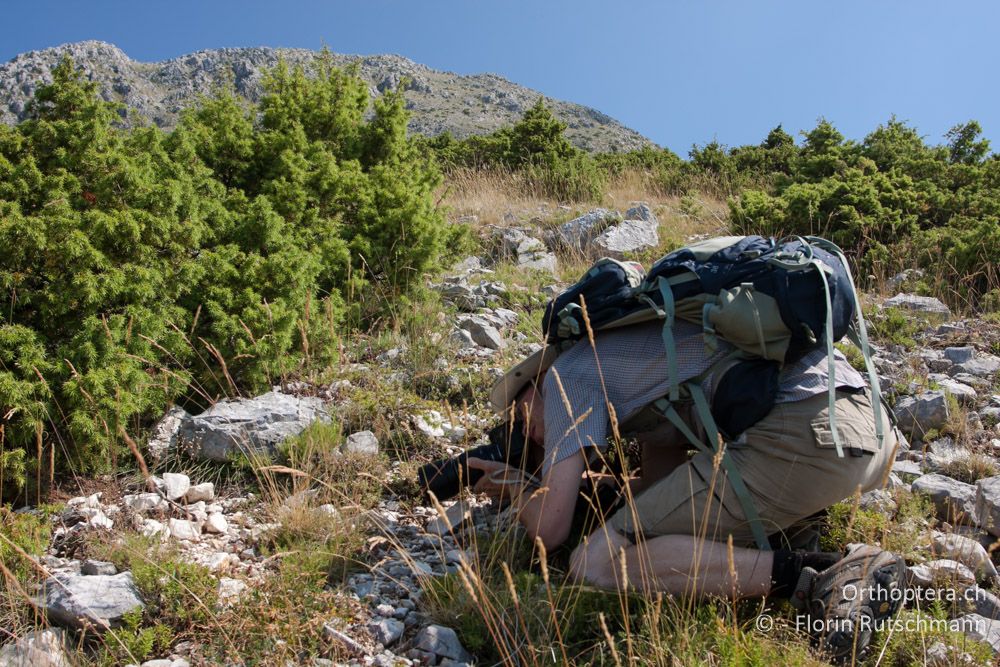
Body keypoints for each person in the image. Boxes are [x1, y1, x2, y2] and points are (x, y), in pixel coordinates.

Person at [468, 319, 905, 661]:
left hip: (807, 441)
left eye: (522, 418)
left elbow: (550, 530)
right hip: (866, 430)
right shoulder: (648, 356)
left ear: (535, 382)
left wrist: (516, 489)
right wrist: (588, 488)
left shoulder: (565, 376)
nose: (532, 435)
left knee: (597, 561)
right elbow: (660, 494)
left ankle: (824, 573)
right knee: (651, 533)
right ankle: (795, 531)